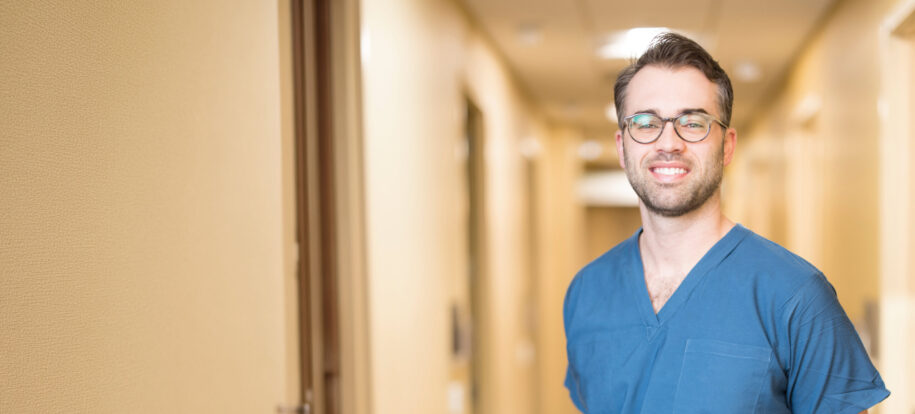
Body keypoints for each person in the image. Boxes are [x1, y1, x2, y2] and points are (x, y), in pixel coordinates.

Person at [562, 33, 890, 413]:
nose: (669, 142)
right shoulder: (587, 293)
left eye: (693, 122)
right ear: (622, 146)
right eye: (646, 122)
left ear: (727, 145)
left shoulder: (796, 297)